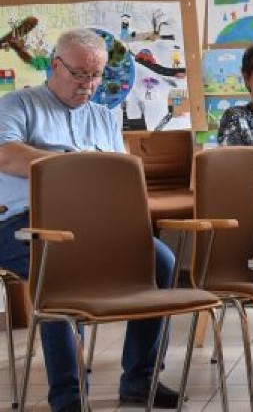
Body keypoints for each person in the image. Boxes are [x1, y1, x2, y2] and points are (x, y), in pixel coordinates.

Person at [0, 28, 181, 412]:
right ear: (55, 66)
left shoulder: (105, 117)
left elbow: (116, 178)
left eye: (96, 76)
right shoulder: (17, 104)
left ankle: (140, 379)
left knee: (160, 260)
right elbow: (7, 156)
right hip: (25, 225)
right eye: (80, 74)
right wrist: (70, 163)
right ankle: (68, 396)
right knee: (60, 271)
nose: (89, 84)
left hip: (94, 226)